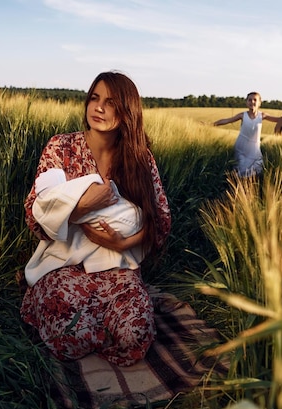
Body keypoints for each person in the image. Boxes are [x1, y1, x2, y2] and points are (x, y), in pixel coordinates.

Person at [20, 71, 171, 367]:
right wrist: (80, 208)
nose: (99, 107)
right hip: (64, 265)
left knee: (136, 335)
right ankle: (78, 317)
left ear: (127, 112)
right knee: (67, 332)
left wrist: (122, 241)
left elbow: (160, 219)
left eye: (111, 102)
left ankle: (102, 321)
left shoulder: (140, 158)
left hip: (117, 265)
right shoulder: (61, 147)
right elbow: (35, 216)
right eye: (94, 98)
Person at [213, 92, 282, 177]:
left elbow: (280, 120)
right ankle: (236, 186)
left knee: (257, 168)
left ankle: (250, 186)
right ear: (246, 102)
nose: (252, 102)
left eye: (255, 100)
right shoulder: (242, 115)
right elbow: (227, 120)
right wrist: (211, 124)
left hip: (254, 148)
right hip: (241, 146)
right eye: (249, 100)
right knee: (240, 168)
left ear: (259, 103)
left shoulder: (262, 115)